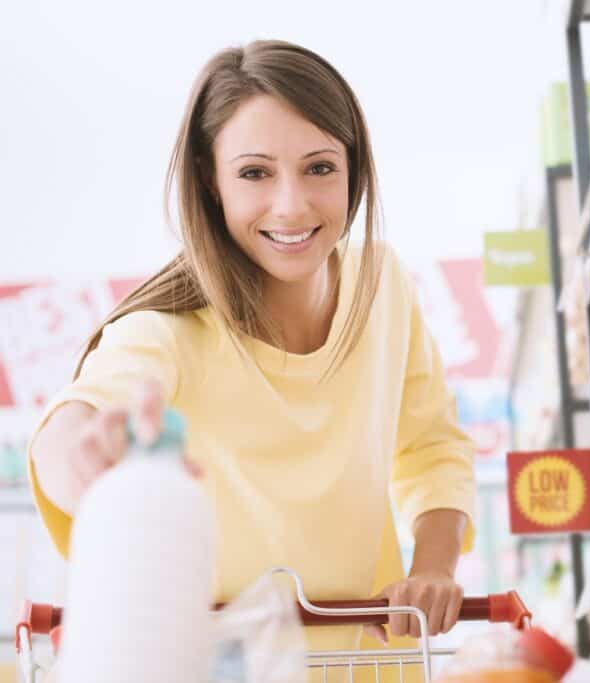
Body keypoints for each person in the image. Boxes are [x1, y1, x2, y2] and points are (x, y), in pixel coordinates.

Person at [28, 38, 476, 668]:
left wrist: (432, 569)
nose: (291, 204)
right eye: (254, 173)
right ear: (212, 185)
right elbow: (76, 422)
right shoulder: (166, 331)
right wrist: (85, 460)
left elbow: (432, 446)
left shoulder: (383, 283)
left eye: (320, 167)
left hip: (365, 664)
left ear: (355, 170)